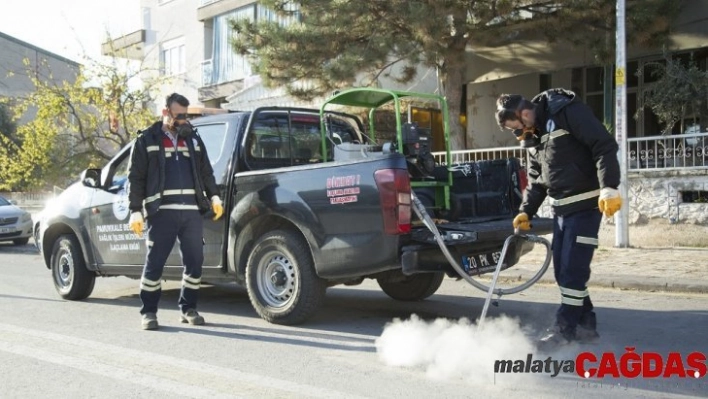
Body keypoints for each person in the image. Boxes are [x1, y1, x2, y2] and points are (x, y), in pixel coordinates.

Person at [495, 88, 622, 351]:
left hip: (586, 205)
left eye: (515, 126)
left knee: (572, 271)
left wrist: (609, 186)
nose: (515, 132)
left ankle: (565, 330)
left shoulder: (566, 112)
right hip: (561, 209)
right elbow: (536, 180)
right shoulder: (534, 135)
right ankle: (586, 325)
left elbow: (604, 145)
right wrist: (525, 211)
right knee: (564, 272)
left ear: (525, 113)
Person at [128, 93, 224, 330]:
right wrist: (135, 210)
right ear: (165, 112)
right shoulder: (147, 139)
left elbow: (206, 171)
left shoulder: (193, 139)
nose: (183, 120)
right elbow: (136, 178)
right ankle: (148, 313)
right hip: (162, 213)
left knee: (195, 262)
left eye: (186, 115)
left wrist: (214, 195)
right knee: (155, 263)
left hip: (191, 212)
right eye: (179, 115)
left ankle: (188, 308)